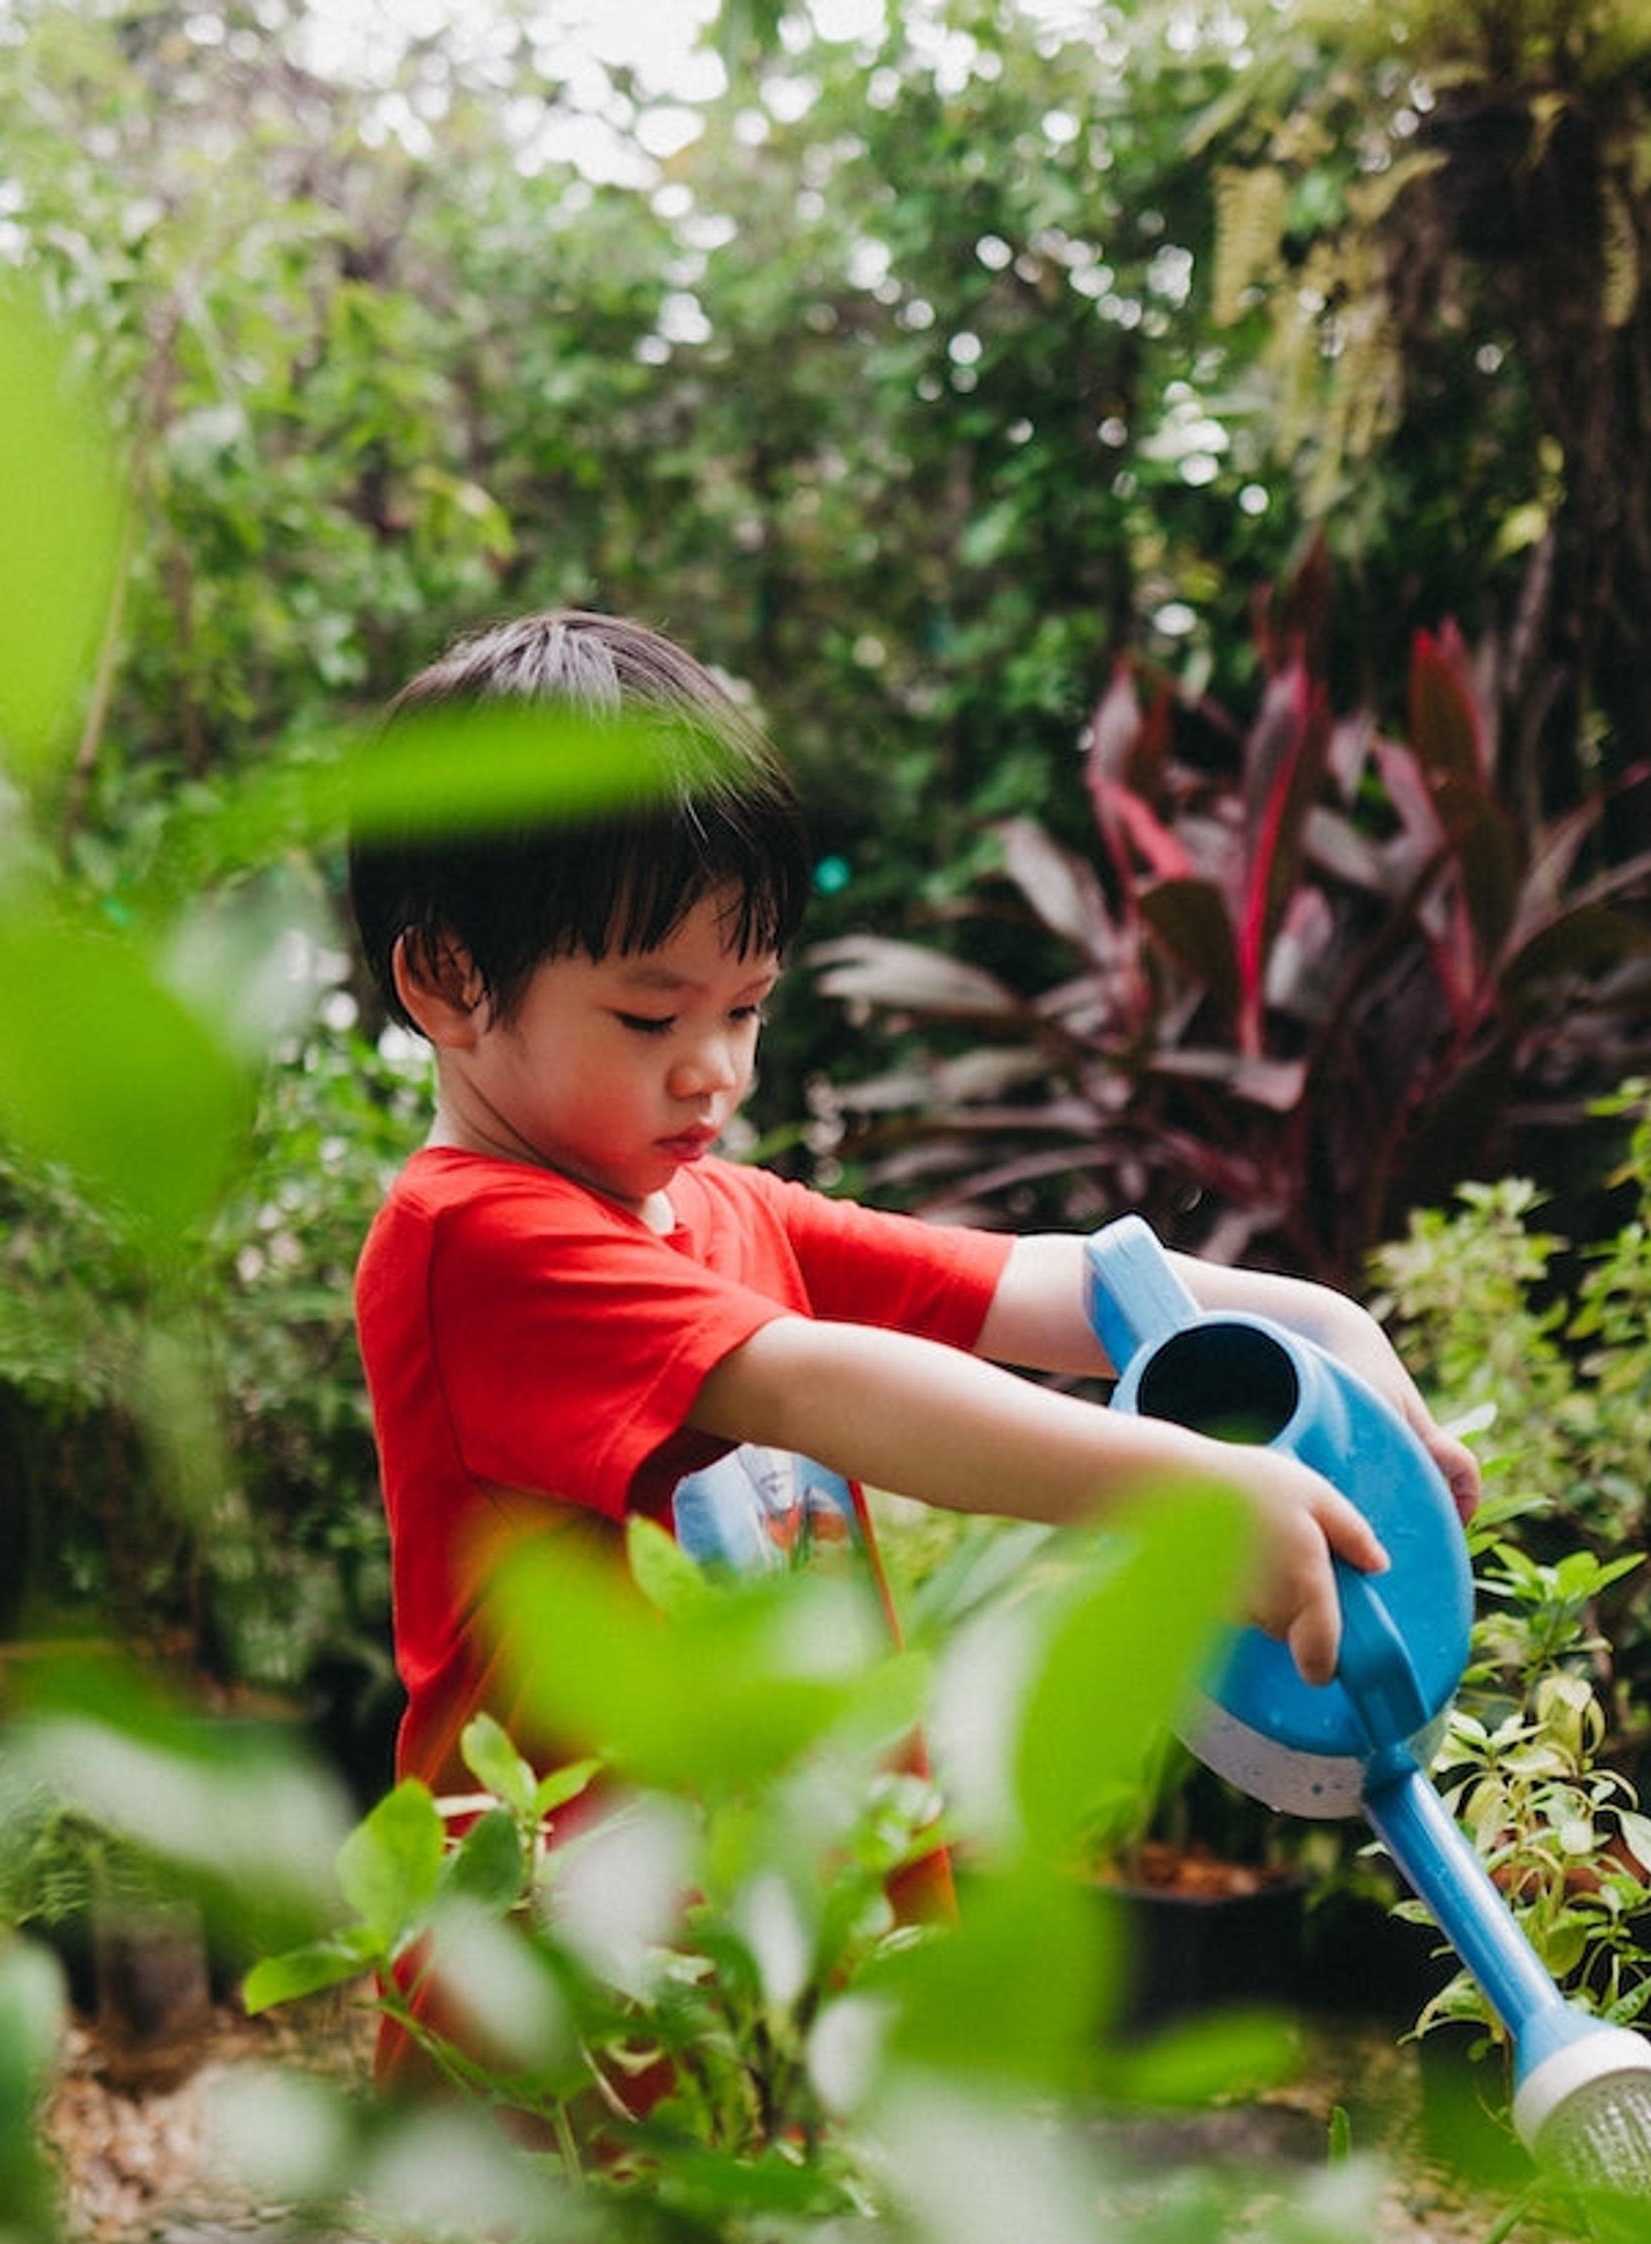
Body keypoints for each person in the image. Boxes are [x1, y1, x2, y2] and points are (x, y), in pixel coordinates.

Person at [346, 606, 1479, 1838]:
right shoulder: (471, 1242)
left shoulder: (727, 1212)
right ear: (448, 980)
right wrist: (1184, 1491)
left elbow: (1039, 1289)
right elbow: (815, 1388)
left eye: (746, 1008)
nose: (715, 1070)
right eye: (650, 1018)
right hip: (576, 1993)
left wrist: (1325, 1325)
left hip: (813, 1936)